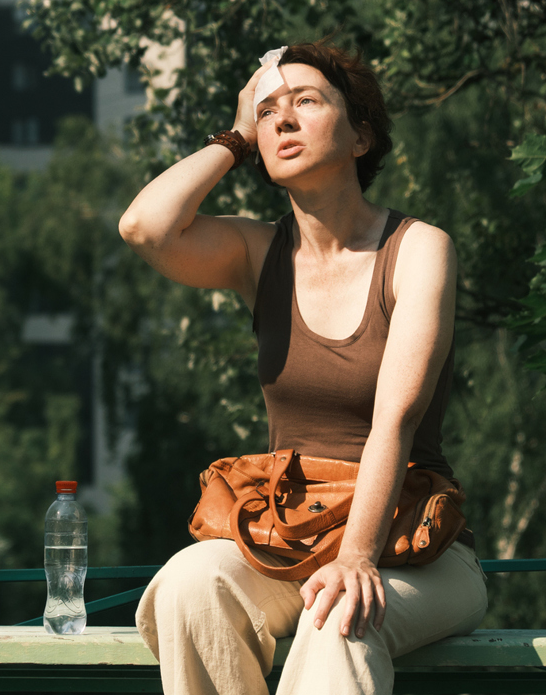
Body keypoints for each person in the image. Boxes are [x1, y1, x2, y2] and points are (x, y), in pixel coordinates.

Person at [116, 41, 487, 695]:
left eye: (307, 102)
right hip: (292, 536)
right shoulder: (258, 253)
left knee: (339, 616)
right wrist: (235, 138)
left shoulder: (418, 249)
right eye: (268, 111)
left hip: (414, 548)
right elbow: (146, 227)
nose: (283, 118)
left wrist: (357, 557)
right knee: (188, 585)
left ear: (360, 136)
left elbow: (395, 420)